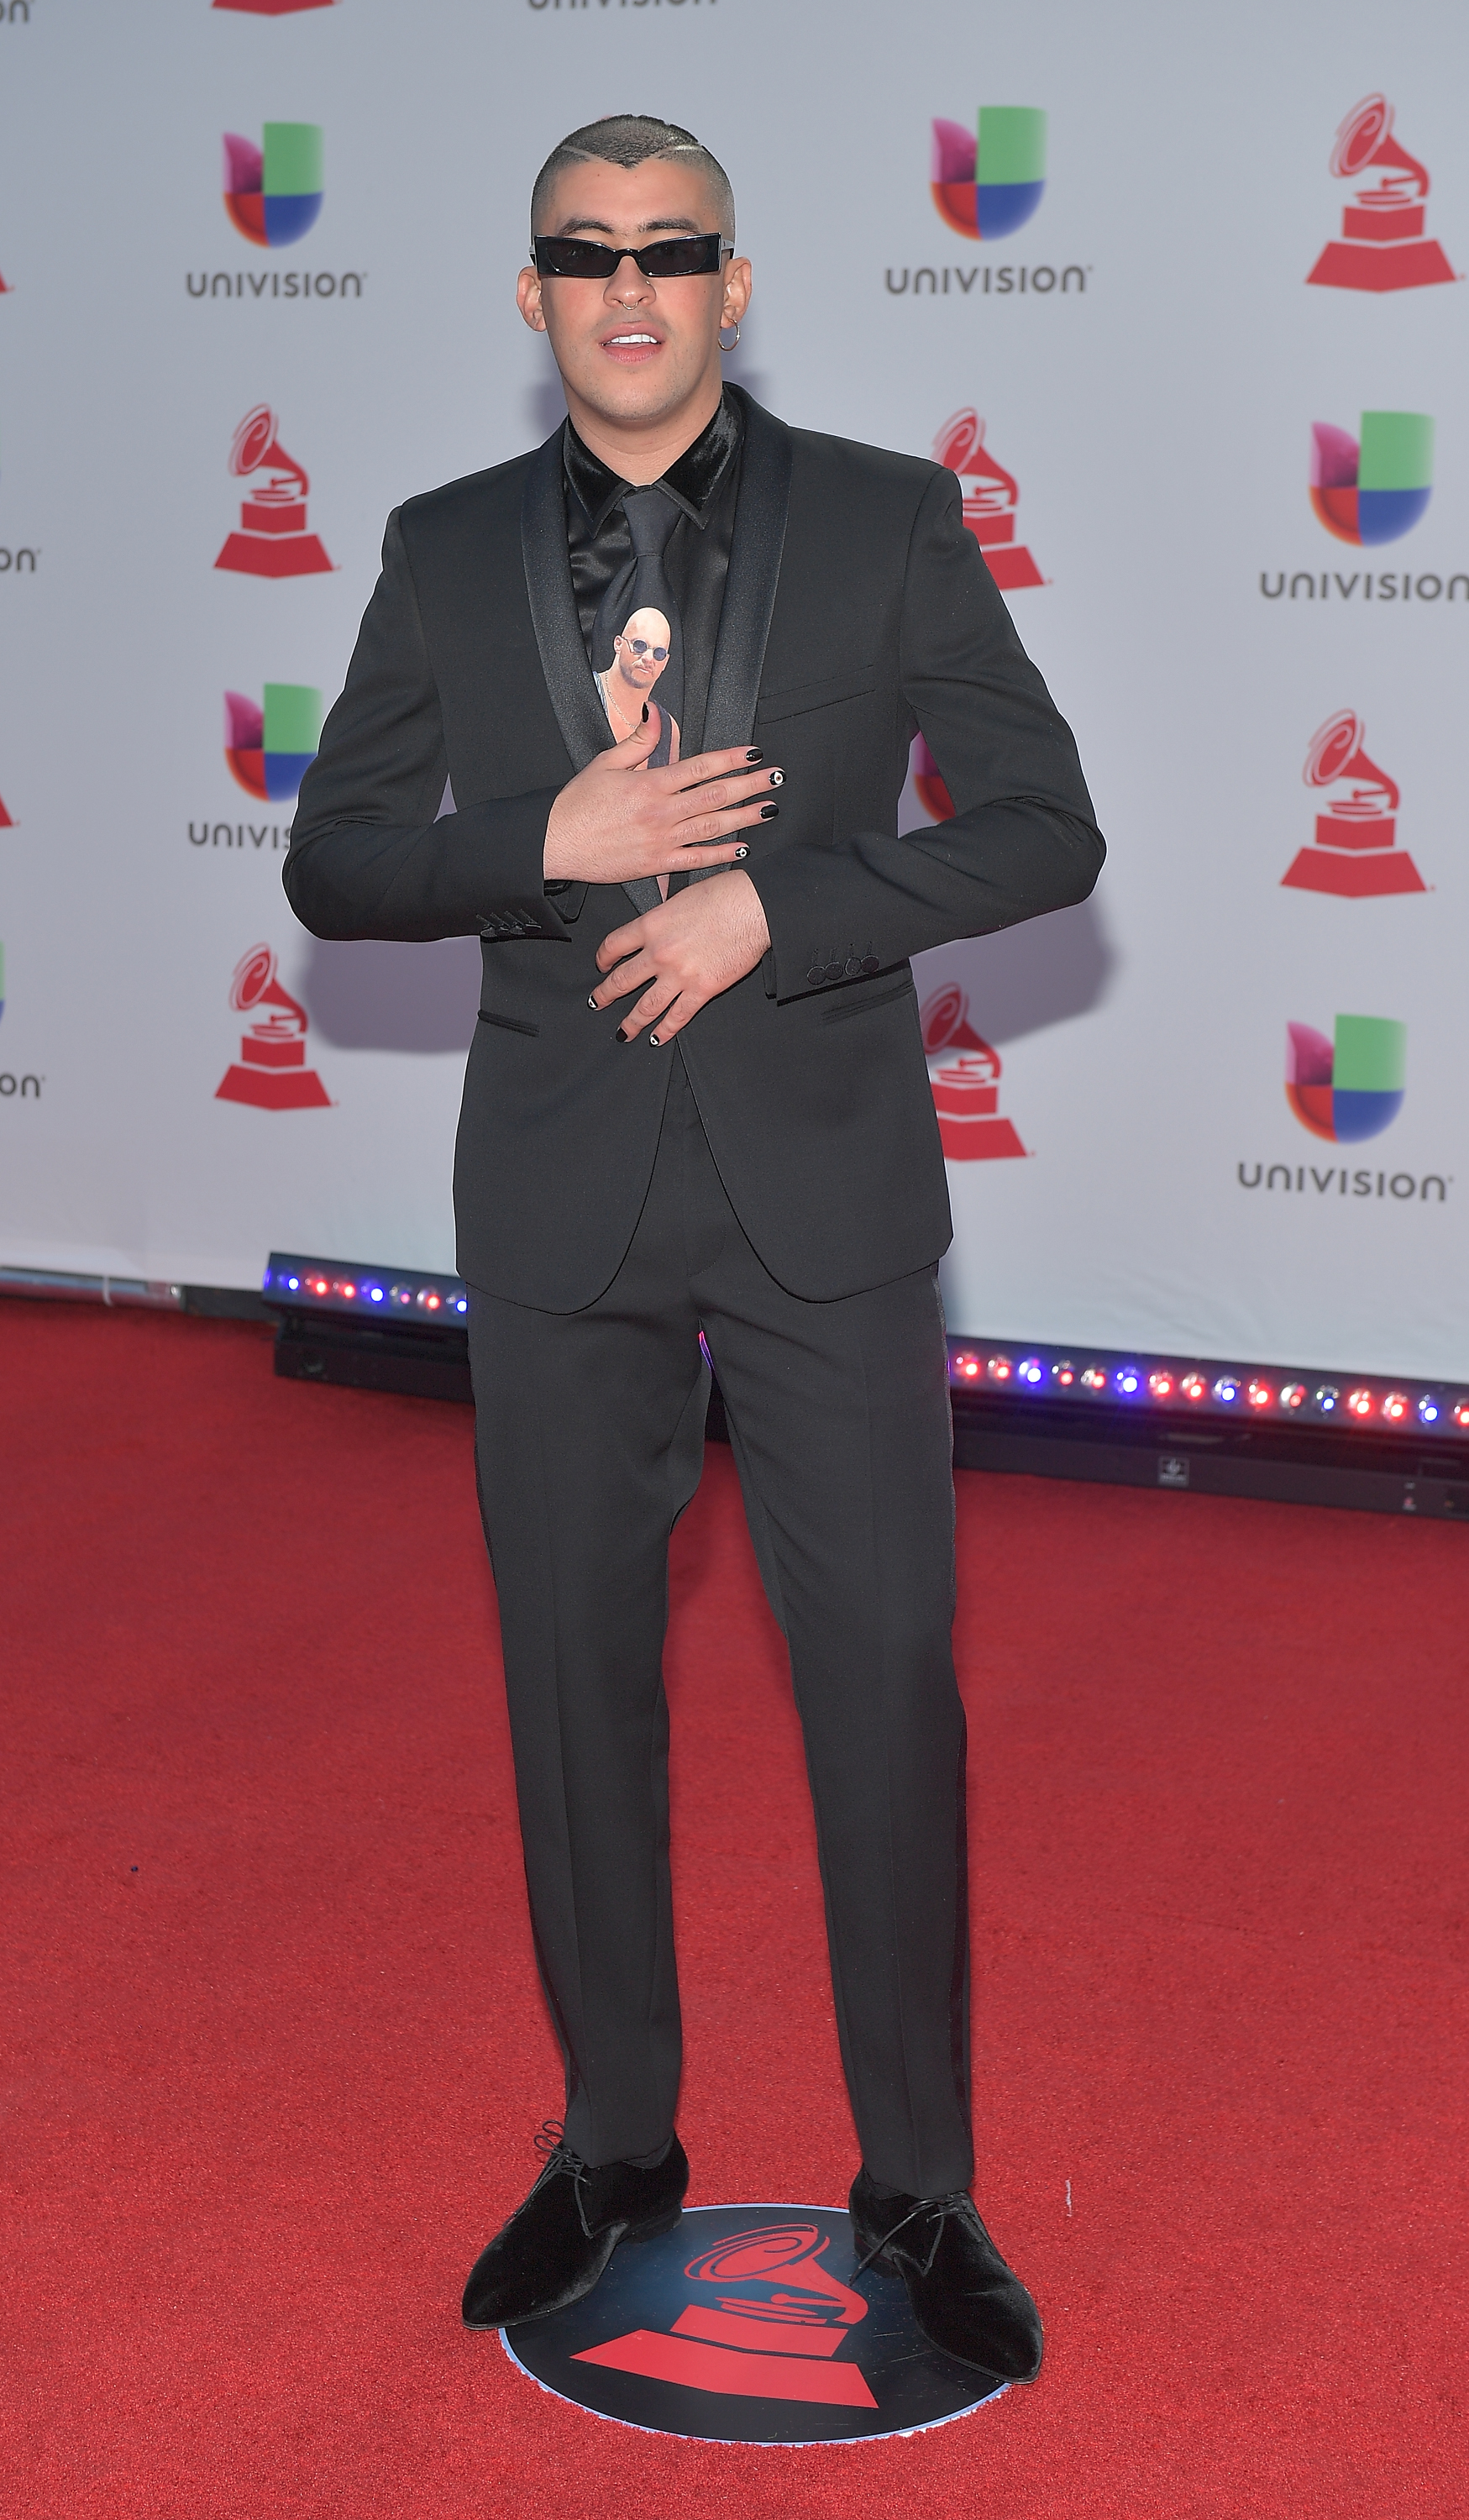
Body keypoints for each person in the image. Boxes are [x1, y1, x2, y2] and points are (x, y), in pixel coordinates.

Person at [286, 113, 1104, 2387]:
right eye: (585, 252)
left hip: (826, 1203)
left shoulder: (888, 520)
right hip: (559, 1209)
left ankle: (923, 2182)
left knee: (885, 1696)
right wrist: (536, 839)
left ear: (732, 284)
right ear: (534, 294)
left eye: (671, 251)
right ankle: (613, 2144)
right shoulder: (438, 553)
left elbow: (1050, 823)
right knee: (575, 1699)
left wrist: (782, 903)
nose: (628, 288)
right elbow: (337, 868)